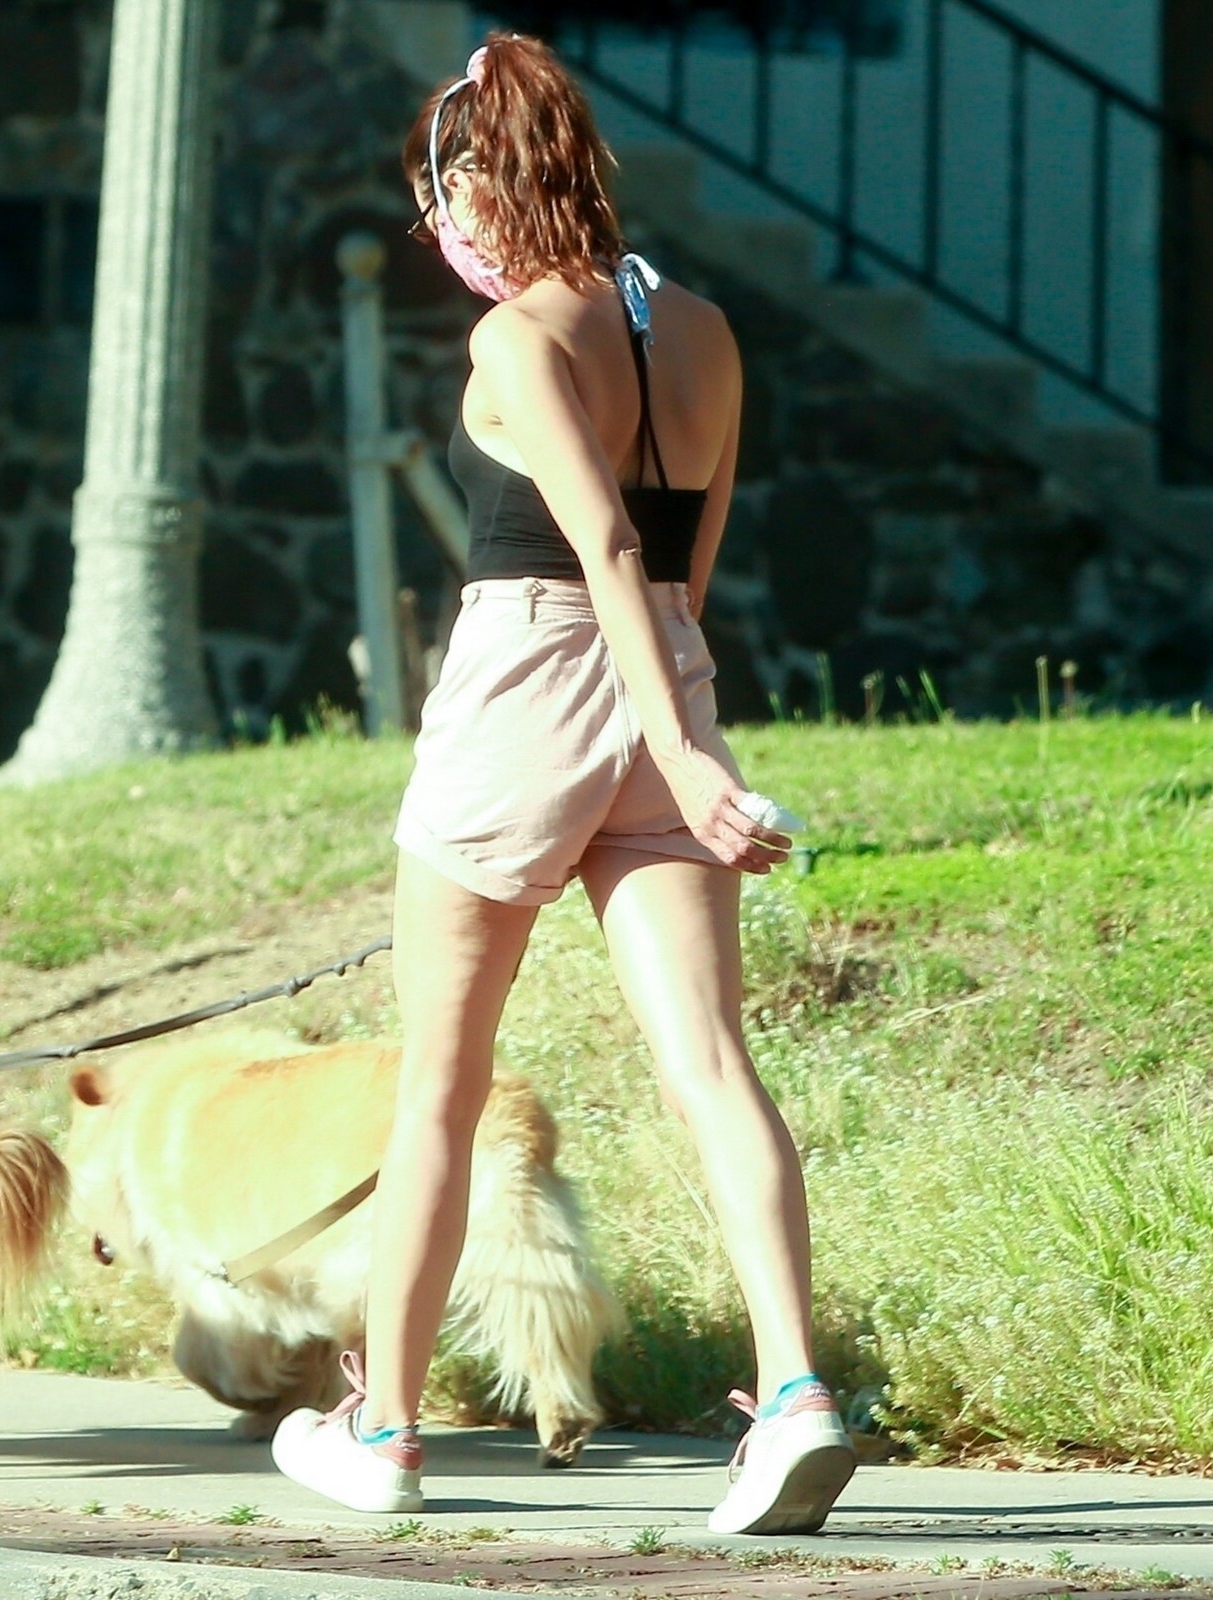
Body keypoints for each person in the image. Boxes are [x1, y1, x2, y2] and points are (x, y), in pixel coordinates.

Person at [270, 32, 856, 1537]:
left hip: (524, 692)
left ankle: (384, 1432)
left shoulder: (515, 340)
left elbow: (598, 542)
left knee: (440, 1088)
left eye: (441, 193)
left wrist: (670, 752)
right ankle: (796, 1395)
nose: (437, 226)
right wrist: (679, 740)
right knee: (712, 1063)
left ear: (487, 175)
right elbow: (679, 567)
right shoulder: (706, 331)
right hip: (669, 673)